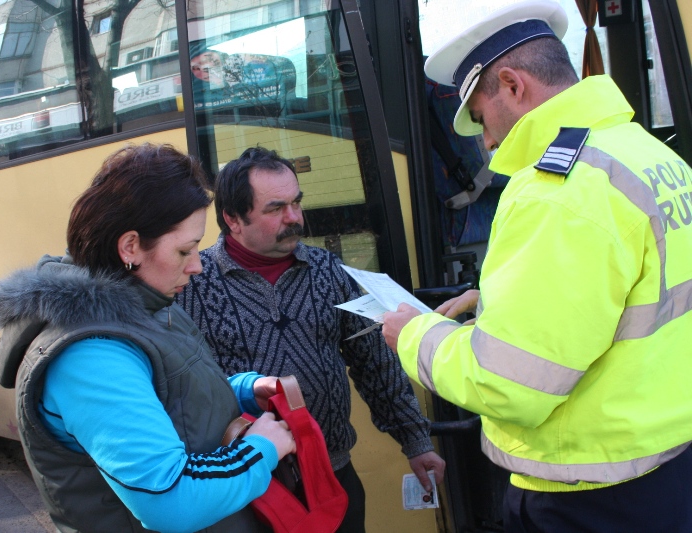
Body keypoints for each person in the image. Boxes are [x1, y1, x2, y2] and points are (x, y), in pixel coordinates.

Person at [381, 1, 692, 531]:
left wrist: (413, 335)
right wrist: (502, 298)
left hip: (589, 491)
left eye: (480, 118)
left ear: (512, 84)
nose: (487, 142)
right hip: (665, 462)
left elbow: (509, 385)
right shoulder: (642, 152)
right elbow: (637, 288)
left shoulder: (555, 193)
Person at [0, 143, 296, 533]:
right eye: (185, 249)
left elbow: (170, 398)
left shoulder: (146, 304)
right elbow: (170, 502)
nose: (198, 265)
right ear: (130, 246)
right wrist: (262, 449)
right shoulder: (90, 356)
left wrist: (244, 390)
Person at [177, 146, 446, 532]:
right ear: (233, 219)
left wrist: (416, 441)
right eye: (275, 209)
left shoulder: (328, 271)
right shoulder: (193, 284)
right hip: (248, 489)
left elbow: (373, 363)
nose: (294, 218)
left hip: (334, 477)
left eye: (296, 203)